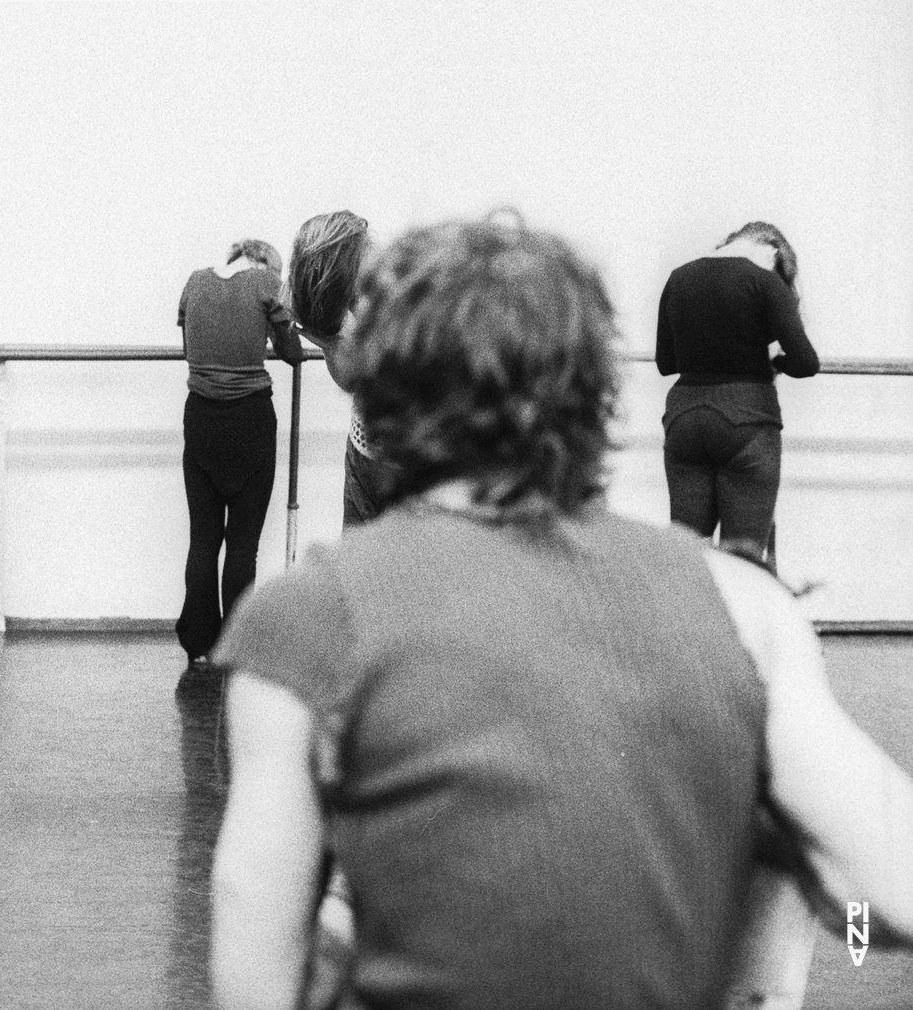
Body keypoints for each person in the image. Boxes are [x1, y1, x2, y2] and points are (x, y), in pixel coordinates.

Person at [210, 218, 913, 1010]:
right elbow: (887, 899)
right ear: (591, 390)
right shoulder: (745, 606)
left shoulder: (299, 621)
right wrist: (794, 900)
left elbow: (254, 978)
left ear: (387, 378)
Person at [174, 239, 302, 691]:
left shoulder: (195, 282)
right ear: (267, 264)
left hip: (201, 420)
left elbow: (190, 349)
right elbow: (291, 353)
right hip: (249, 421)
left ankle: (197, 644)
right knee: (242, 544)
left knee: (202, 540)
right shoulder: (267, 284)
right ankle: (237, 646)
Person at [657, 222, 819, 567]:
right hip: (747, 418)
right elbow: (806, 362)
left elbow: (666, 362)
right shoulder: (764, 281)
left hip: (684, 419)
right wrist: (776, 359)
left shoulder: (679, 278)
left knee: (687, 556)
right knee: (743, 562)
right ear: (772, 251)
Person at [283, 211, 390, 527]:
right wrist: (332, 342)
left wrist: (346, 340)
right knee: (356, 564)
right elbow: (350, 383)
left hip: (404, 466)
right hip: (363, 452)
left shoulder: (395, 298)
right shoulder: (336, 301)